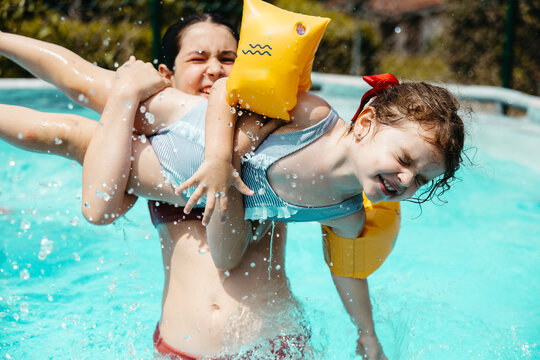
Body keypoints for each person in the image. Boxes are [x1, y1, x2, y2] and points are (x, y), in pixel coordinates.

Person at [0, 13, 465, 359]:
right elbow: (96, 199)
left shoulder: (303, 152)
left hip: (276, 346)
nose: (216, 69)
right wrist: (127, 93)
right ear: (166, 73)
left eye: (229, 59)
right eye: (198, 58)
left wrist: (366, 333)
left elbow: (348, 267)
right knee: (73, 114)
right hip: (183, 347)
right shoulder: (158, 121)